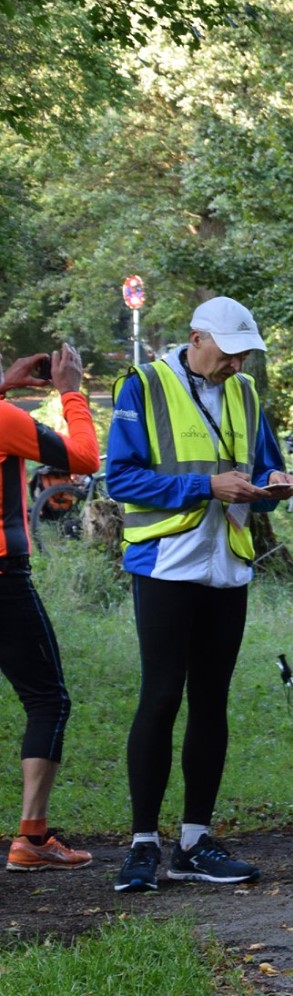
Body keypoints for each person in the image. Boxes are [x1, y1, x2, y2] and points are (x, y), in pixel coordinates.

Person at [105, 299, 293, 890]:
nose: (237, 364)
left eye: (244, 355)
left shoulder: (246, 392)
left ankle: (194, 841)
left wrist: (276, 484)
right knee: (161, 696)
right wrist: (205, 485)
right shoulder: (144, 384)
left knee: (211, 700)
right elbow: (120, 477)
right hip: (165, 562)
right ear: (196, 338)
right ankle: (142, 844)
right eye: (229, 353)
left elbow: (265, 465)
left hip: (226, 565)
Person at [1, 343, 98, 874]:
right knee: (47, 700)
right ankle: (32, 837)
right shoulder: (4, 419)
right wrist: (71, 392)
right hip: (3, 577)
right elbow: (83, 459)